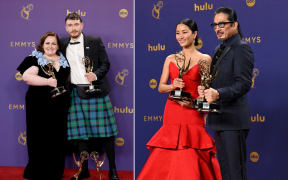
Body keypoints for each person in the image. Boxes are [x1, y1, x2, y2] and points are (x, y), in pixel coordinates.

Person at [137, 18, 222, 180]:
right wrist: (173, 85)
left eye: (184, 32)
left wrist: (200, 95)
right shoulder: (170, 59)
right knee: (168, 155)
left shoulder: (205, 59)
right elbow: (161, 87)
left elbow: (206, 90)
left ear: (194, 34)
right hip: (173, 111)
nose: (180, 36)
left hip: (193, 113)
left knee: (191, 155)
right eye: (177, 33)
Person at [60, 12, 119, 180]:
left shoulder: (94, 40)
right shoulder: (62, 43)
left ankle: (112, 170)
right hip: (75, 93)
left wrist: (96, 74)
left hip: (96, 91)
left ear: (82, 25)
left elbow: (105, 63)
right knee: (80, 135)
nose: (73, 28)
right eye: (70, 25)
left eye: (76, 24)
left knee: (107, 133)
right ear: (66, 27)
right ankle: (83, 169)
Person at [198, 7, 254, 180]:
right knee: (225, 173)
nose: (217, 28)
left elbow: (243, 84)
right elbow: (216, 81)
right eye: (215, 24)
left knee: (235, 174)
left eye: (222, 23)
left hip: (233, 121)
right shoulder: (218, 49)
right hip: (219, 120)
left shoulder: (241, 48)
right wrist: (205, 89)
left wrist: (218, 94)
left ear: (234, 24)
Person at [17, 32, 71, 180]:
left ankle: (55, 171)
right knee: (39, 136)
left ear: (58, 46)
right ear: (42, 44)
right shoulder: (35, 58)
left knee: (57, 137)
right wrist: (47, 81)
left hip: (59, 104)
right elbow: (27, 77)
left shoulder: (64, 60)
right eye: (47, 43)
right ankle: (38, 171)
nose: (50, 46)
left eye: (53, 43)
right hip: (38, 104)